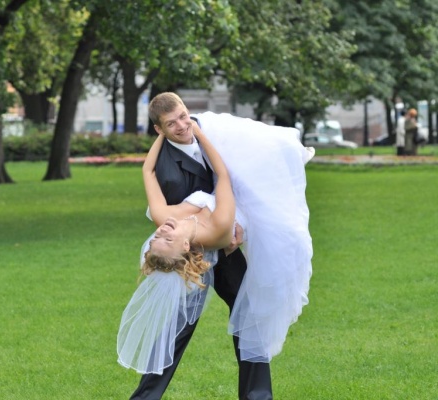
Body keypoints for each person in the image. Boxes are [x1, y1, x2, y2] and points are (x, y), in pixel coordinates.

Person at [118, 92, 313, 400]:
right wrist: (224, 229)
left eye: (183, 116)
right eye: (171, 124)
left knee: (250, 317)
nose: (182, 126)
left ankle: (257, 396)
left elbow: (244, 182)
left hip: (223, 247)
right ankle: (145, 397)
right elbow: (209, 183)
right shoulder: (166, 169)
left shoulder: (218, 134)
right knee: (177, 328)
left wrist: (241, 226)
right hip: (190, 254)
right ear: (159, 130)